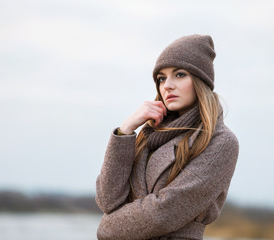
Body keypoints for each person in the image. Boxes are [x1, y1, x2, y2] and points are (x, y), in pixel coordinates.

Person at [95, 34, 239, 240]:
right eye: (161, 78)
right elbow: (107, 200)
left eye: (179, 75)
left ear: (200, 81)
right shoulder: (149, 135)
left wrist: (107, 227)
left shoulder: (221, 141)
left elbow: (165, 212)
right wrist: (125, 131)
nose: (167, 85)